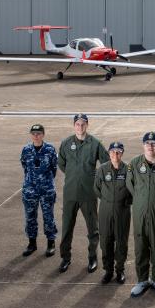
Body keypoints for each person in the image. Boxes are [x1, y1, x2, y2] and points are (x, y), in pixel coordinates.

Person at [58, 114, 109, 273]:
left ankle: (92, 258)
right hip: (70, 193)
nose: (80, 127)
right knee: (67, 227)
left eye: (83, 124)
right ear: (74, 126)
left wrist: (92, 179)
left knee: (92, 229)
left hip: (89, 193)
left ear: (87, 125)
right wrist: (75, 176)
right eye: (77, 124)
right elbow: (62, 164)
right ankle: (65, 258)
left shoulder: (95, 143)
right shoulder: (66, 143)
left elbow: (106, 163)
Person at [126, 132, 155, 297]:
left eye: (154, 143)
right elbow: (130, 184)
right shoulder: (134, 163)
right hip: (139, 212)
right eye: (147, 143)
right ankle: (141, 280)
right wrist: (141, 199)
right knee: (140, 245)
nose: (150, 146)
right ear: (143, 145)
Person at [94, 142, 132, 285]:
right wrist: (108, 200)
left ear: (122, 153)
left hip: (123, 210)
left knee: (121, 241)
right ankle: (108, 271)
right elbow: (97, 188)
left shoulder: (128, 169)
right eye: (113, 152)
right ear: (109, 153)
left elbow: (134, 189)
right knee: (105, 241)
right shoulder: (102, 169)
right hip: (105, 209)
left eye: (118, 152)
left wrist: (126, 201)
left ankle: (120, 270)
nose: (115, 155)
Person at [20, 124, 58, 257]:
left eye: (39, 133)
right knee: (30, 217)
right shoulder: (26, 150)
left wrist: (44, 182)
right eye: (34, 133)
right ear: (31, 135)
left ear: (43, 134)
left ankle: (51, 243)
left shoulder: (50, 149)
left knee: (49, 217)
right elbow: (25, 166)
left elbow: (54, 168)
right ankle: (32, 243)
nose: (36, 136)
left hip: (46, 190)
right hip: (30, 190)